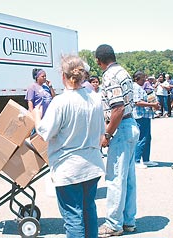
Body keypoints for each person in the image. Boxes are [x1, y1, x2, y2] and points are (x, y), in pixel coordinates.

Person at [33, 55, 105, 238]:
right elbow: (101, 132)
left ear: (63, 76)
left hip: (69, 168)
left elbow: (44, 133)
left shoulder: (61, 102)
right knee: (89, 211)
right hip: (92, 165)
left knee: (73, 217)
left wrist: (36, 116)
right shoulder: (95, 99)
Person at [95, 44, 140, 237]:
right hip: (130, 126)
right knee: (128, 179)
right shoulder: (123, 72)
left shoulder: (109, 76)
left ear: (99, 61)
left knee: (115, 178)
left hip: (120, 129)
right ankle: (129, 221)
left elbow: (118, 108)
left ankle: (113, 224)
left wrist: (107, 134)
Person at [132, 71, 160, 169]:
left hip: (146, 115)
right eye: (143, 78)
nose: (145, 79)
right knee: (142, 138)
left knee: (147, 138)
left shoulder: (141, 88)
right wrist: (152, 105)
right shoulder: (135, 87)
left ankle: (146, 159)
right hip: (140, 116)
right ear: (136, 79)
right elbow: (137, 102)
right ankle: (136, 160)